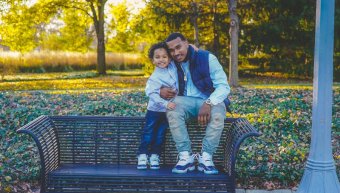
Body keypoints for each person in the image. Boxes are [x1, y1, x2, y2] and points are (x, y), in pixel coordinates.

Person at [160, 32, 230, 174]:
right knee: (173, 108)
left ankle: (206, 157)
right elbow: (156, 76)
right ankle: (186, 157)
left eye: (179, 47)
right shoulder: (170, 62)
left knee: (218, 112)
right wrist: (161, 90)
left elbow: (223, 86)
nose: (176, 52)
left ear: (187, 43)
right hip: (185, 102)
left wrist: (209, 102)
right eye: (172, 50)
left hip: (210, 99)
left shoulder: (207, 58)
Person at [137, 42, 178, 170]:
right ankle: (143, 155)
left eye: (164, 56)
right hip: (154, 110)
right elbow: (151, 94)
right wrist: (166, 103)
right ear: (153, 60)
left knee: (160, 134)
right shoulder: (155, 77)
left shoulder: (172, 67)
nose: (161, 59)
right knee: (149, 133)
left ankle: (155, 156)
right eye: (157, 57)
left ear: (170, 58)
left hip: (166, 111)